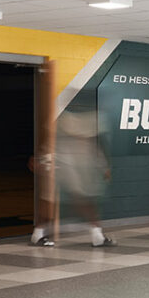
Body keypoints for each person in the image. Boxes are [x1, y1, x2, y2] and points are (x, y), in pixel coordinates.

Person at [50, 102, 115, 247]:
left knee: (83, 201)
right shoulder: (90, 121)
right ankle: (97, 235)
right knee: (85, 201)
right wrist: (105, 166)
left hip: (72, 168)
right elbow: (98, 145)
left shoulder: (63, 121)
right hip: (78, 168)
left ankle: (96, 234)